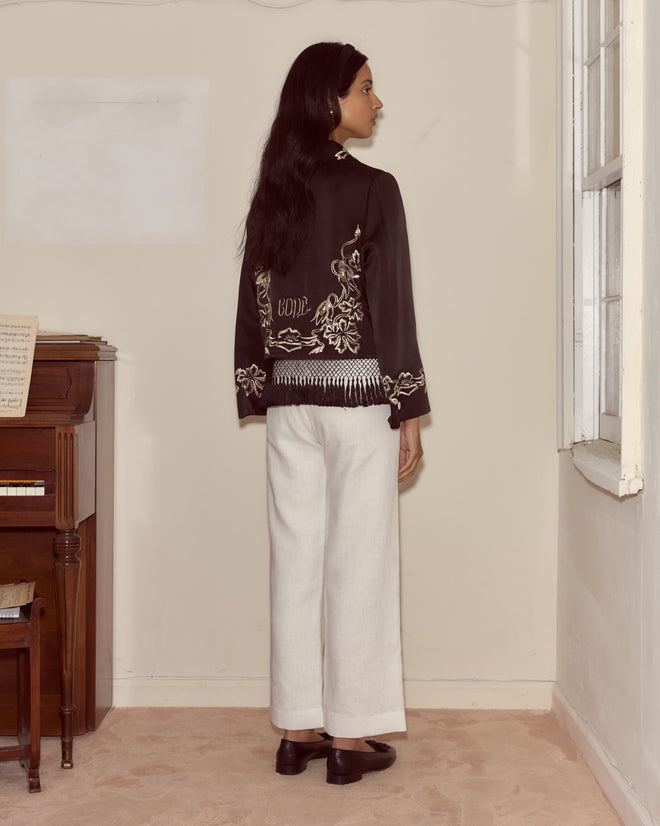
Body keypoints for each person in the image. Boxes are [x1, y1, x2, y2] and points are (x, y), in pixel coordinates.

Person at [234, 41, 430, 785]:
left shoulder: (273, 189)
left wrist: (258, 382)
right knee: (359, 561)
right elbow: (391, 303)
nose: (377, 102)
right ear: (328, 100)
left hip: (291, 405)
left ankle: (297, 730)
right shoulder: (374, 189)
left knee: (295, 563)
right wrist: (408, 405)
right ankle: (349, 739)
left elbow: (252, 300)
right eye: (365, 88)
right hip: (356, 402)